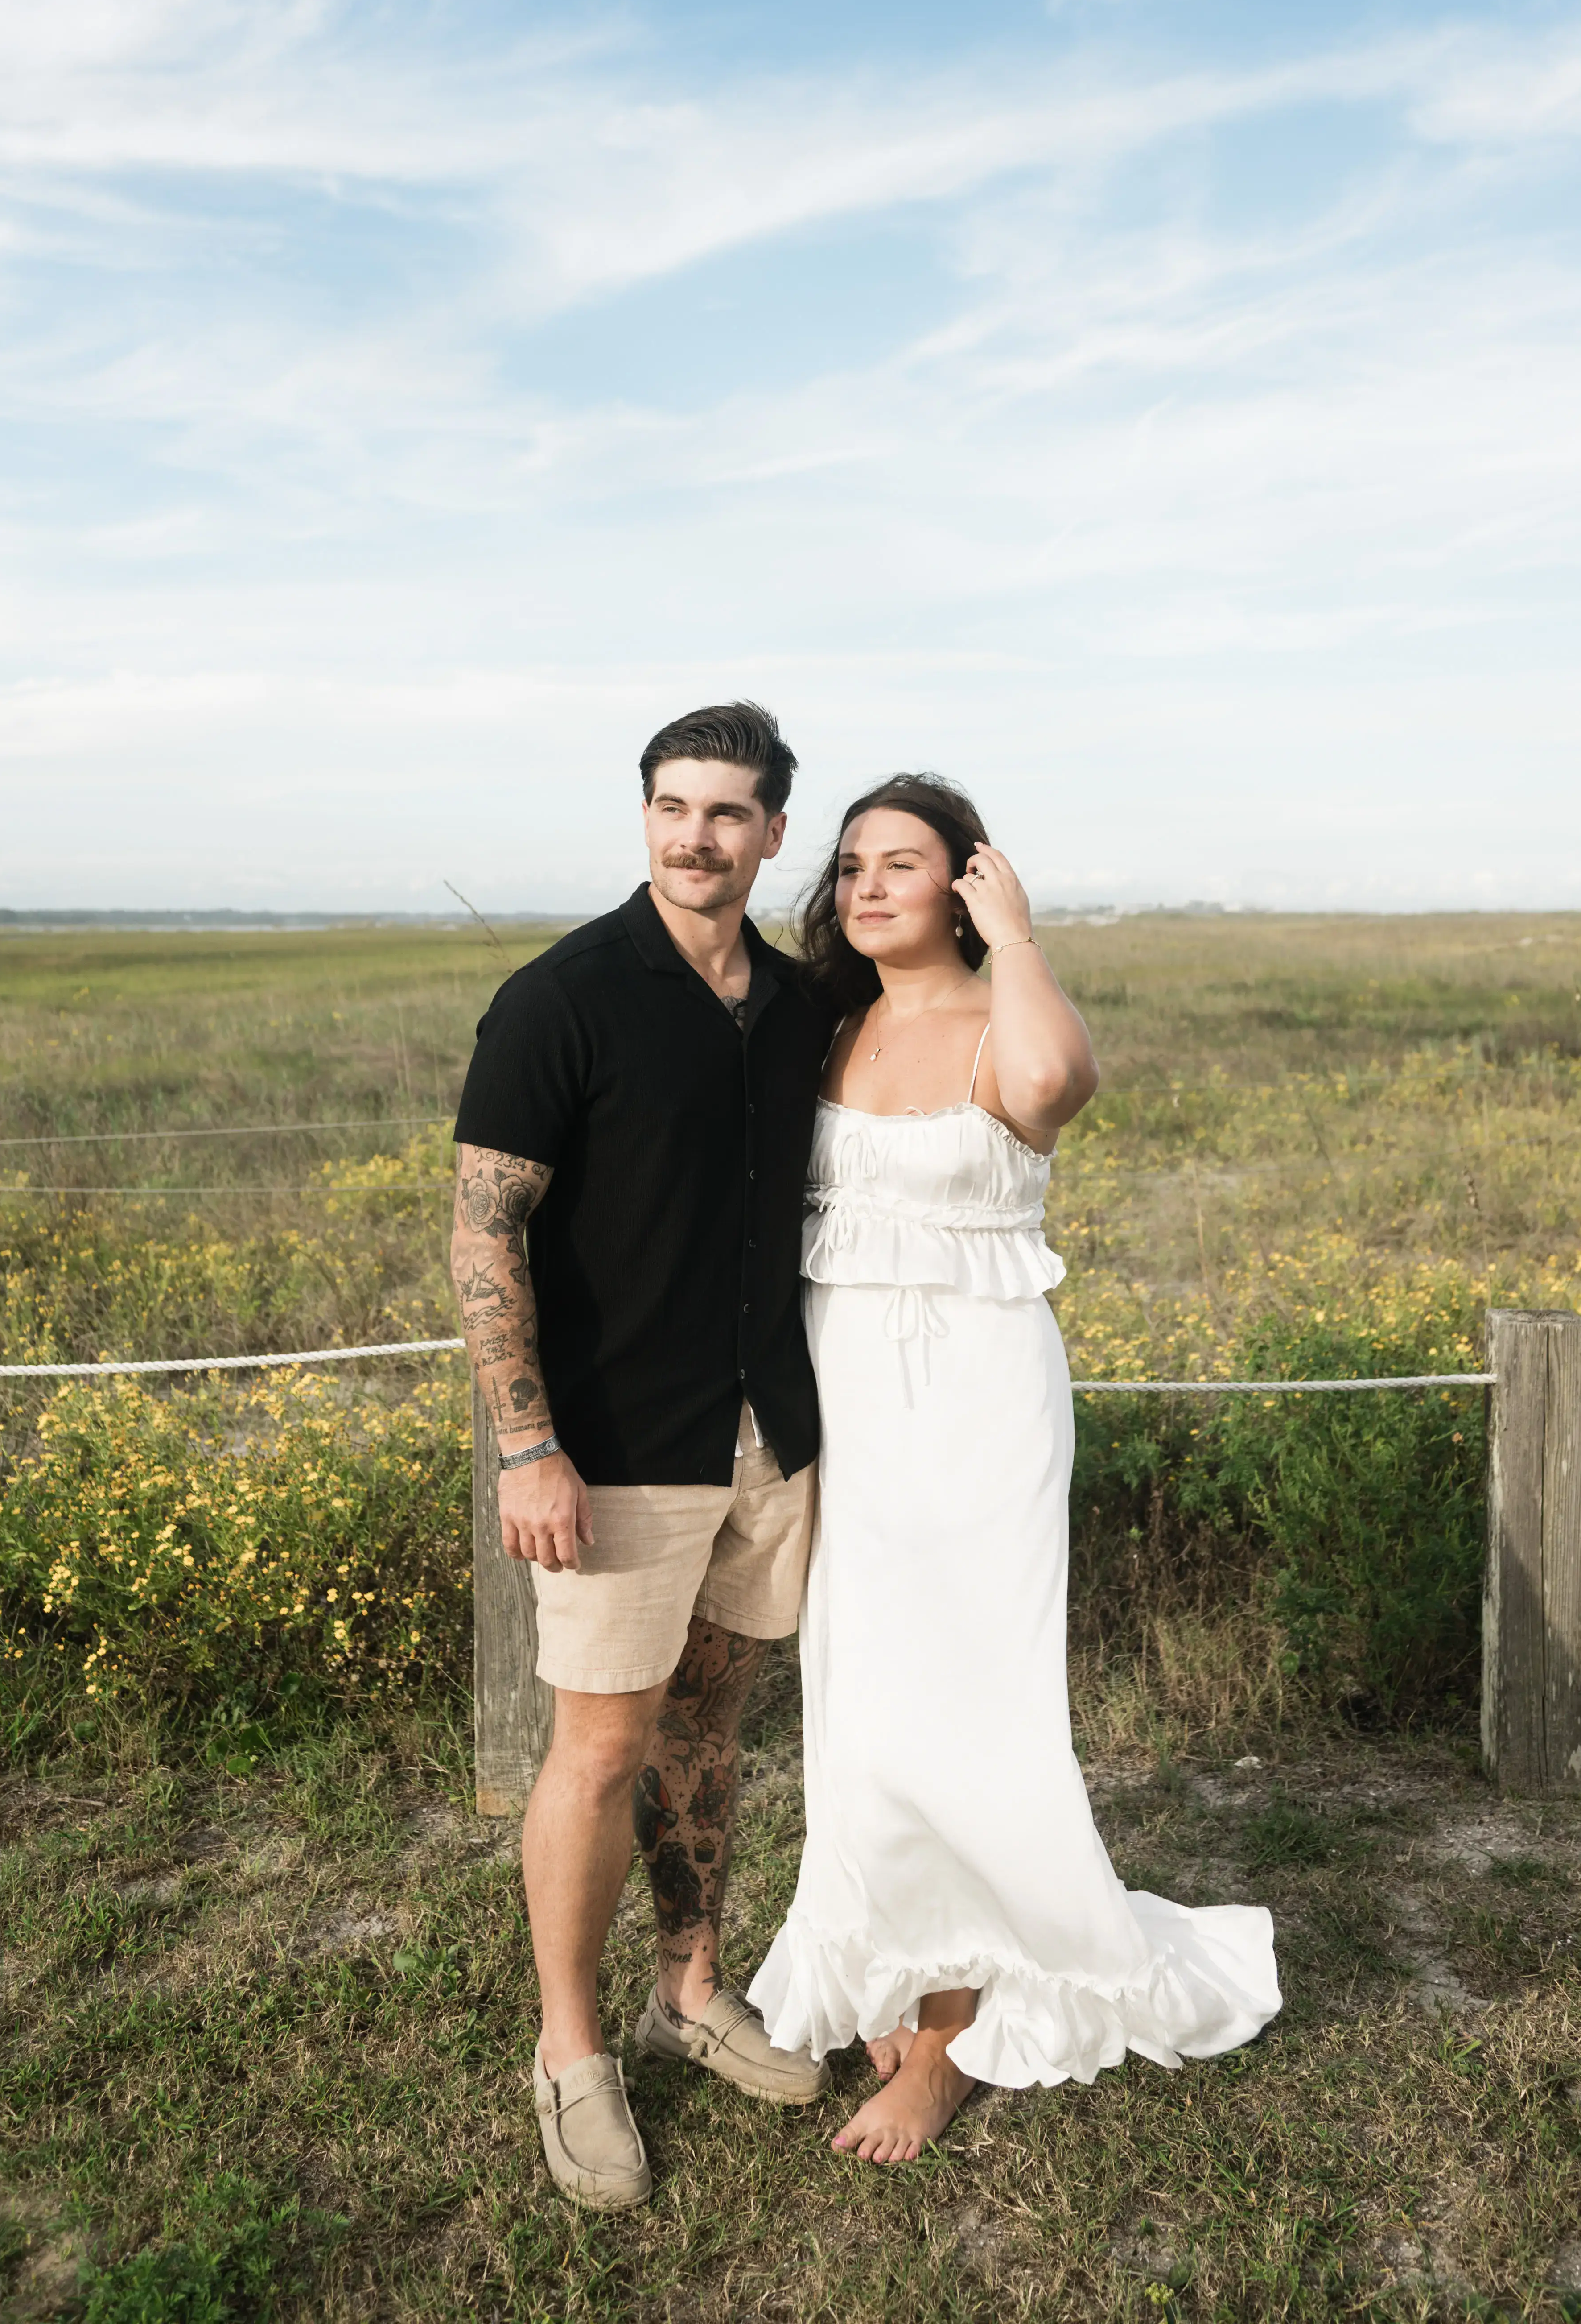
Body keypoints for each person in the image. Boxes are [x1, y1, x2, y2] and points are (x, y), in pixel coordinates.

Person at [749, 774, 1281, 2163]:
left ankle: (947, 2045)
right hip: (850, 1397)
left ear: (966, 880)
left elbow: (1053, 1093)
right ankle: (901, 1958)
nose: (867, 888)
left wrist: (1022, 935)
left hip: (979, 1400)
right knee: (862, 1703)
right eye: (853, 865)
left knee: (971, 1707)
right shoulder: (830, 1023)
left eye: (904, 865)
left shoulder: (1006, 1016)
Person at [450, 702, 836, 2209]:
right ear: (646, 818)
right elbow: (486, 1229)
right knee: (600, 1750)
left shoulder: (800, 1006)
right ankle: (570, 2053)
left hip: (769, 1438)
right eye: (674, 807)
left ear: (773, 835)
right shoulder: (564, 998)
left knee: (709, 1729)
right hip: (615, 1452)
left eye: (729, 813)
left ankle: (689, 1994)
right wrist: (528, 1443)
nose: (698, 836)